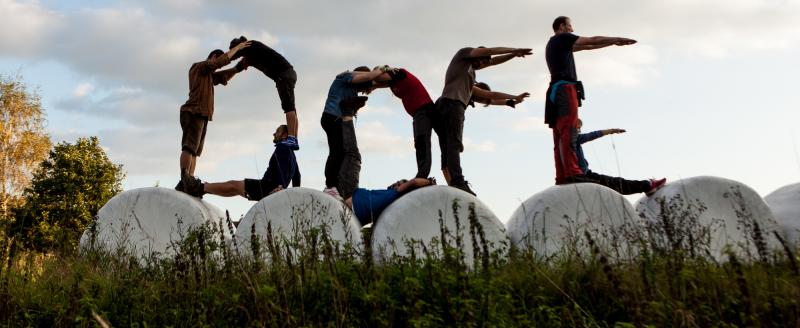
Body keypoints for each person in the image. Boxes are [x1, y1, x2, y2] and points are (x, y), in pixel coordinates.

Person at [543, 15, 636, 185]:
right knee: (568, 129)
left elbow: (590, 46)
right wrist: (616, 38)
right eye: (570, 26)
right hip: (565, 89)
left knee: (559, 134)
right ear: (562, 26)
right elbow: (591, 39)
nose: (572, 29)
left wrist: (612, 43)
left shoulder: (554, 43)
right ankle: (572, 171)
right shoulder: (563, 38)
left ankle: (562, 175)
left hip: (556, 91)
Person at [436, 46, 532, 195]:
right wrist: (515, 49)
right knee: (454, 146)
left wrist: (510, 100)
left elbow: (490, 94)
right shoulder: (464, 55)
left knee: (448, 148)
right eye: (481, 62)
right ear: (478, 56)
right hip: (452, 104)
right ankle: (457, 181)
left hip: (446, 106)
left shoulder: (468, 79)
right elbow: (490, 55)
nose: (482, 66)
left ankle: (452, 182)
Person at [335, 99, 436, 226]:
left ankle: (347, 112)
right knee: (348, 156)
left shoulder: (395, 196)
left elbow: (414, 182)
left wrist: (429, 182)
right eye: (398, 181)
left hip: (349, 195)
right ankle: (342, 119)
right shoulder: (386, 199)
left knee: (353, 156)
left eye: (401, 184)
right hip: (351, 202)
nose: (397, 183)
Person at [177, 41, 251, 193]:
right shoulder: (200, 67)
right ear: (213, 57)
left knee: (195, 152)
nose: (219, 64)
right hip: (193, 112)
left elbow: (223, 75)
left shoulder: (209, 76)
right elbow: (218, 64)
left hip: (202, 115)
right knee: (189, 147)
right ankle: (185, 178)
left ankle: (189, 182)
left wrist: (239, 68)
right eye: (218, 60)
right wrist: (237, 49)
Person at [320, 66, 387, 198]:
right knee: (337, 152)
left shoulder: (352, 88)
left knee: (342, 153)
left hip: (336, 119)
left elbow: (375, 84)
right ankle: (330, 186)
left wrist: (392, 81)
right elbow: (370, 77)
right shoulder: (345, 76)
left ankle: (335, 186)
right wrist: (384, 69)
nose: (364, 90)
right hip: (332, 117)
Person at [185, 125, 300, 200]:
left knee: (233, 185)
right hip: (271, 188)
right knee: (235, 188)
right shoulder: (292, 155)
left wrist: (280, 187)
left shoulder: (282, 148)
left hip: (267, 187)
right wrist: (296, 194)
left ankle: (199, 187)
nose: (274, 133)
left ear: (285, 135)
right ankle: (204, 189)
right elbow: (297, 176)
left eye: (277, 131)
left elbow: (282, 170)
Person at [229, 36, 300, 150]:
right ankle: (294, 140)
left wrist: (219, 61)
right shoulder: (250, 54)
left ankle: (291, 139)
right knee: (291, 109)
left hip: (283, 74)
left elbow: (230, 57)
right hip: (288, 74)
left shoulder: (250, 45)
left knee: (288, 108)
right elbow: (236, 69)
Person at [569, 119, 666, 195]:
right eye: (578, 128)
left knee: (615, 183)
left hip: (582, 175)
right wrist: (612, 130)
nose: (579, 131)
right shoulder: (574, 138)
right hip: (585, 176)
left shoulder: (562, 141)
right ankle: (648, 185)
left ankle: (647, 186)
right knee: (617, 183)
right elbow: (593, 135)